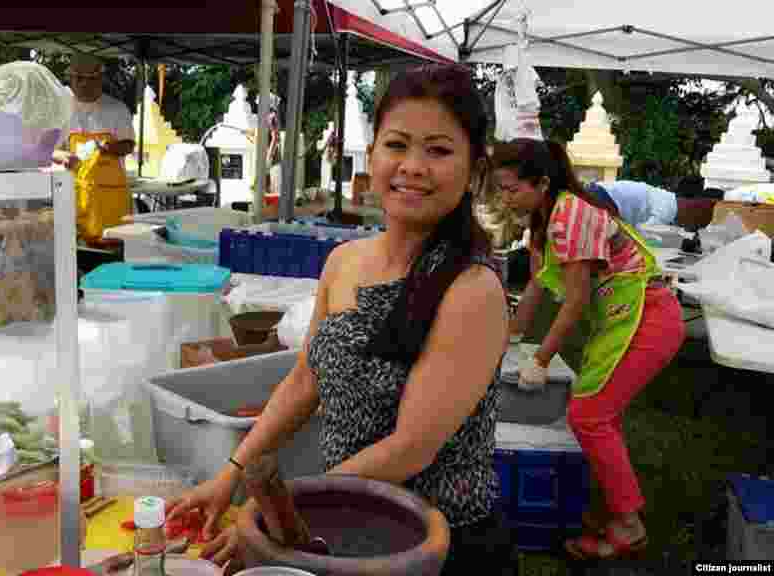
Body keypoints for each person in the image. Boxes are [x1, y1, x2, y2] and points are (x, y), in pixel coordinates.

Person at [167, 64, 514, 573]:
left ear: (473, 173)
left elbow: (410, 449)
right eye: (396, 145)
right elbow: (306, 378)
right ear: (371, 156)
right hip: (348, 525)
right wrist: (231, 476)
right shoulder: (345, 262)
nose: (413, 166)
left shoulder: (471, 288)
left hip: (438, 546)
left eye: (438, 150)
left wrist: (275, 522)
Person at [494, 138, 686, 560]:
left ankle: (629, 526)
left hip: (647, 315)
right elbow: (535, 288)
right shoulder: (545, 221)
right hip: (625, 315)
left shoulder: (572, 215)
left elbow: (577, 299)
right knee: (599, 413)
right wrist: (506, 340)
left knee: (589, 415)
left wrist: (541, 359)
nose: (505, 198)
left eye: (511, 189)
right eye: (501, 189)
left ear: (541, 183)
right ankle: (618, 508)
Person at [52, 53, 135, 170]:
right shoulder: (58, 108)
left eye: (91, 78)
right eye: (79, 78)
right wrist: (61, 155)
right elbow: (46, 150)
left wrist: (105, 148)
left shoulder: (117, 109)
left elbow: (128, 145)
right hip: (69, 183)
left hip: (107, 184)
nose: (85, 84)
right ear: (70, 78)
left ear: (101, 79)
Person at [584, 180, 678, 229]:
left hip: (599, 191)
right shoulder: (669, 208)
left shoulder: (666, 197)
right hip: (603, 196)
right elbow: (645, 233)